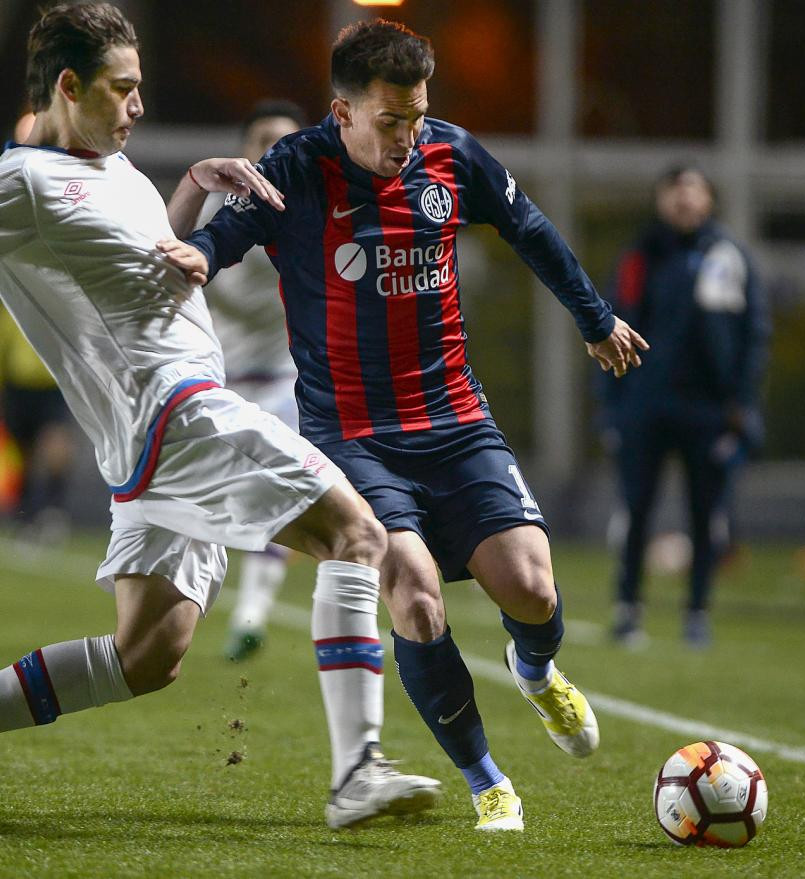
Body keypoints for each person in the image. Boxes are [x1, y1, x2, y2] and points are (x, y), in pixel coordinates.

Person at [0, 3, 440, 831]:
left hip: (149, 441)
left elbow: (156, 282)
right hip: (180, 413)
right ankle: (357, 771)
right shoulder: (20, 183)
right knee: (358, 537)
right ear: (69, 87)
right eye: (123, 89)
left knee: (146, 656)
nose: (139, 106)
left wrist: (190, 189)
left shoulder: (118, 168)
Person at [180, 20, 648, 831]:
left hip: (456, 420)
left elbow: (529, 229)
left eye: (418, 116)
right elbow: (226, 234)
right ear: (344, 112)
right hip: (353, 436)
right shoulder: (296, 168)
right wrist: (198, 255)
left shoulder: (452, 156)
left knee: (533, 588)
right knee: (415, 597)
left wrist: (595, 318)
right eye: (391, 122)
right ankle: (485, 778)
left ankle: (535, 672)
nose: (408, 137)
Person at [600, 164, 770, 648]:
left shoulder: (729, 257)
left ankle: (697, 612)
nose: (683, 201)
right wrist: (612, 405)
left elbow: (754, 334)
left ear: (709, 200)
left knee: (706, 515)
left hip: (708, 412)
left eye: (692, 191)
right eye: (674, 192)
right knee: (636, 510)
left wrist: (741, 401)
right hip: (645, 406)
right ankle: (628, 609)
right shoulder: (640, 255)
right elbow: (608, 328)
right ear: (660, 200)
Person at [200, 100, 308, 662]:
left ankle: (251, 615)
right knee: (211, 507)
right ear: (244, 148)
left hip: (285, 382)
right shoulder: (213, 211)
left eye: (286, 140)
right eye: (264, 138)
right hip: (215, 383)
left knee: (277, 500)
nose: (274, 150)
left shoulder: (307, 209)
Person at [0, 297, 74, 543]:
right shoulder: (7, 298)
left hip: (53, 385)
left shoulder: (57, 298)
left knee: (57, 449)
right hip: (18, 388)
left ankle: (53, 509)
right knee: (22, 455)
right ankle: (25, 516)